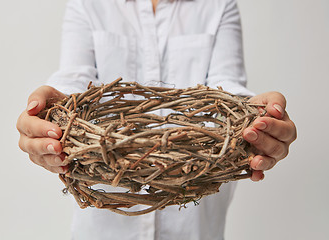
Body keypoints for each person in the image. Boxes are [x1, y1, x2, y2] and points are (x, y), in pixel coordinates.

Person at [16, 0, 297, 239]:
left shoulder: (217, 4)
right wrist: (51, 118)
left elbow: (227, 92)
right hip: (106, 226)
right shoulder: (89, 3)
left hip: (195, 222)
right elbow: (75, 86)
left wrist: (258, 119)